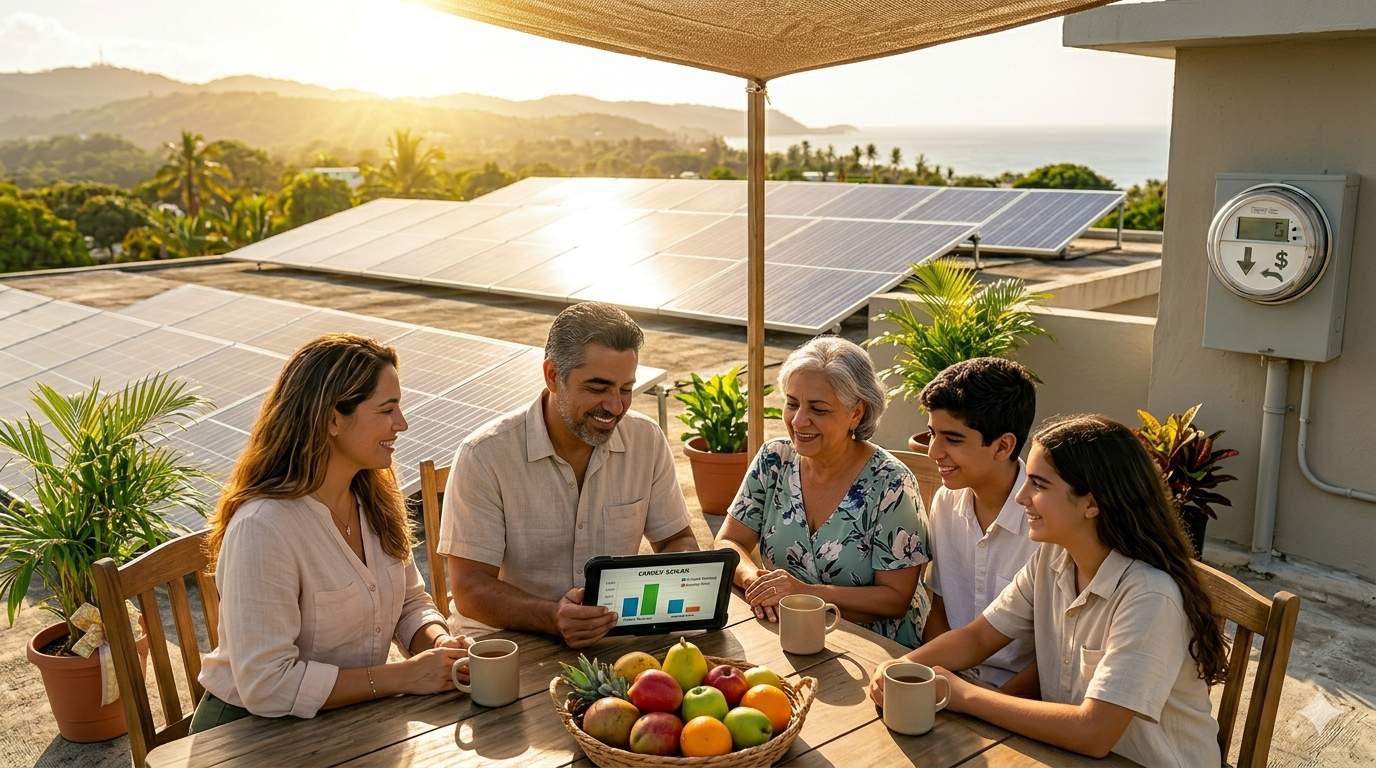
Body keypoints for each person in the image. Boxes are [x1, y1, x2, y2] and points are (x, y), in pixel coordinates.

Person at [869, 415, 1228, 766]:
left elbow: (1093, 732)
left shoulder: (1149, 596)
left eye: (1038, 485)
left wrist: (961, 694)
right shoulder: (1053, 558)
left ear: (1092, 503)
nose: (1021, 497)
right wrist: (901, 668)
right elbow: (978, 638)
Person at [195, 334, 469, 732]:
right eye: (387, 409)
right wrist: (404, 677)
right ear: (332, 419)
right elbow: (267, 685)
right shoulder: (263, 528)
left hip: (346, 719)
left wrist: (438, 643)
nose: (402, 423)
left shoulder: (375, 499)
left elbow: (409, 602)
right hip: (246, 733)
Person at [440, 302, 698, 649]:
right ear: (552, 376)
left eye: (625, 389)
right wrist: (551, 617)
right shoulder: (485, 455)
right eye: (597, 387)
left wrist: (657, 594)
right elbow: (470, 588)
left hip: (612, 638)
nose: (616, 406)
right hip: (509, 643)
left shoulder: (646, 440)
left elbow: (675, 542)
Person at [714, 336, 929, 648]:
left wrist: (804, 593)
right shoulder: (775, 459)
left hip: (878, 647)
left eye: (818, 408)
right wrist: (755, 581)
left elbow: (895, 599)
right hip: (789, 631)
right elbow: (730, 541)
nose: (800, 420)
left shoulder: (892, 483)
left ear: (857, 413)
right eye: (792, 403)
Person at [919, 358, 1040, 694]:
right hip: (949, 684)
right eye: (932, 434)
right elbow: (939, 609)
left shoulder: (1048, 527)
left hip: (1014, 701)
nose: (933, 451)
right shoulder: (945, 502)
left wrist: (980, 706)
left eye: (952, 439)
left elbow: (1052, 659)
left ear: (1003, 446)